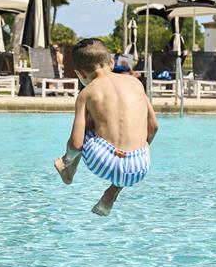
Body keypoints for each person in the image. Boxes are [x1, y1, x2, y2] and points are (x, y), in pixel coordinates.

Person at [53, 38, 159, 216]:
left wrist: (68, 158)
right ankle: (111, 194)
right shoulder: (136, 83)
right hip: (140, 166)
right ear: (111, 62)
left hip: (103, 163)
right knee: (137, 142)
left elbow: (76, 144)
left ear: (80, 74)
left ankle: (67, 169)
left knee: (89, 123)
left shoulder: (86, 93)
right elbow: (154, 127)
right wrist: (140, 147)